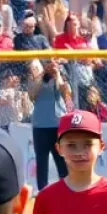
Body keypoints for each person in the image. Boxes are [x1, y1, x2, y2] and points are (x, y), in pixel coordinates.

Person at [27, 60, 71, 189]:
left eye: (53, 63)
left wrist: (57, 75)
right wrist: (41, 75)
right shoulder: (36, 78)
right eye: (47, 63)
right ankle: (43, 191)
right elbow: (32, 95)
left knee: (62, 159)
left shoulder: (62, 75)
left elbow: (66, 93)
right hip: (41, 124)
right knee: (42, 160)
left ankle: (66, 190)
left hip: (58, 124)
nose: (51, 66)